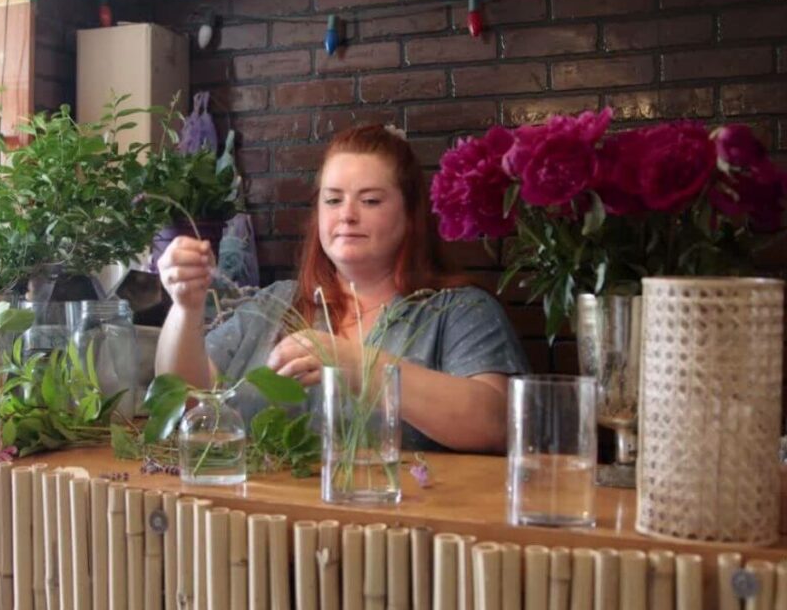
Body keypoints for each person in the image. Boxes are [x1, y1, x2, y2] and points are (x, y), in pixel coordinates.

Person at [154, 124, 528, 453]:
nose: (347, 214)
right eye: (333, 199)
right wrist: (184, 308)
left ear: (410, 213)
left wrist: (355, 364)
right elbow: (181, 400)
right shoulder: (273, 303)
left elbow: (497, 424)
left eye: (370, 200)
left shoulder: (458, 311)